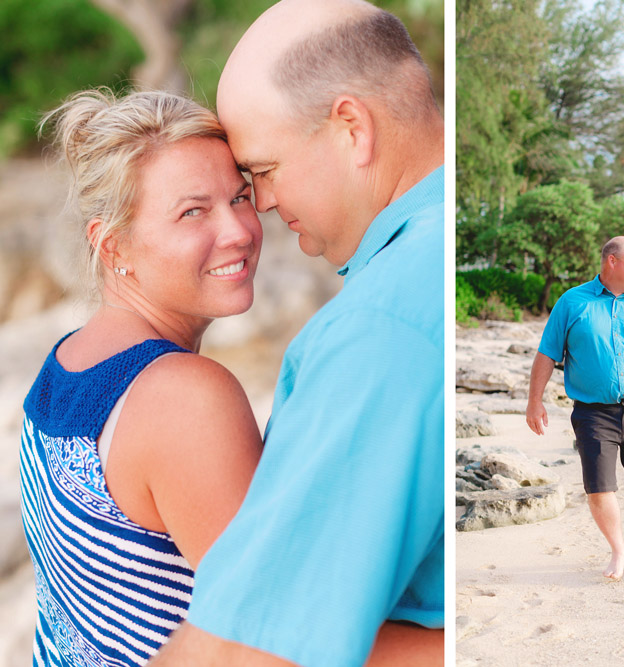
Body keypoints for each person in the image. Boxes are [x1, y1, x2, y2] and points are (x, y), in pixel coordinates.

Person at [152, 1, 444, 665]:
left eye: (261, 171)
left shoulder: (380, 326)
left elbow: (248, 650)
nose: (262, 205)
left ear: (352, 127)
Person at [20, 88, 265, 666]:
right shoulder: (184, 396)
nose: (238, 231)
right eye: (193, 211)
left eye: (241, 197)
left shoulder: (63, 366)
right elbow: (266, 639)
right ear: (113, 246)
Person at [526, 236, 624, 581]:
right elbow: (547, 352)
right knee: (599, 488)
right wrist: (534, 400)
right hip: (592, 411)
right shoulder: (572, 302)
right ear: (611, 261)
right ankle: (618, 550)